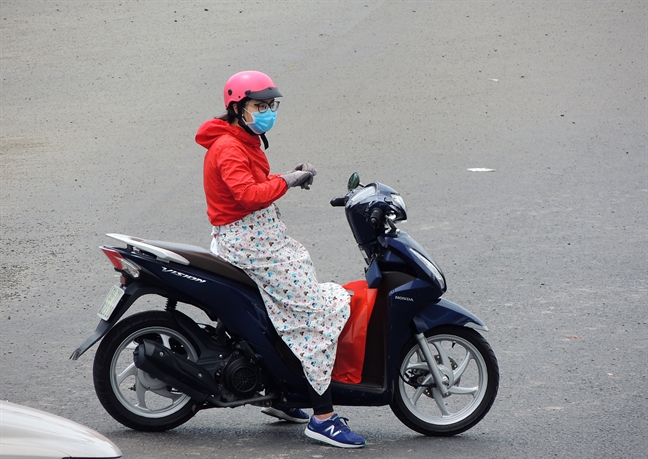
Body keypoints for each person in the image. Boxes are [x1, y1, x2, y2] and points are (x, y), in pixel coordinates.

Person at [195, 70, 366, 449]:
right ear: (237, 107)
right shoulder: (228, 147)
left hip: (258, 239)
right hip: (252, 244)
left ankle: (283, 397)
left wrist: (288, 175)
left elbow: (253, 183)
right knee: (316, 314)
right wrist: (288, 180)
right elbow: (248, 195)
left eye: (271, 105)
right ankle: (323, 417)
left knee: (284, 310)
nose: (267, 112)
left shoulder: (242, 138)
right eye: (260, 106)